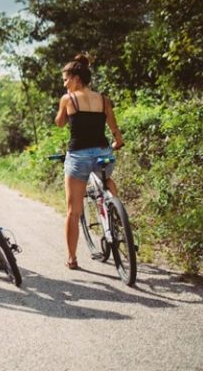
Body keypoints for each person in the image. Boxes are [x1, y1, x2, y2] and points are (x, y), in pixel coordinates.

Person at [55, 54, 124, 270]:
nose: (65, 84)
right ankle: (115, 212)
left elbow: (59, 123)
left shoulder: (68, 99)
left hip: (79, 156)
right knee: (106, 178)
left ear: (76, 78)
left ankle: (72, 258)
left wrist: (65, 103)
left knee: (73, 211)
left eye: (66, 80)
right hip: (104, 153)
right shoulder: (103, 99)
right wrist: (117, 142)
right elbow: (115, 129)